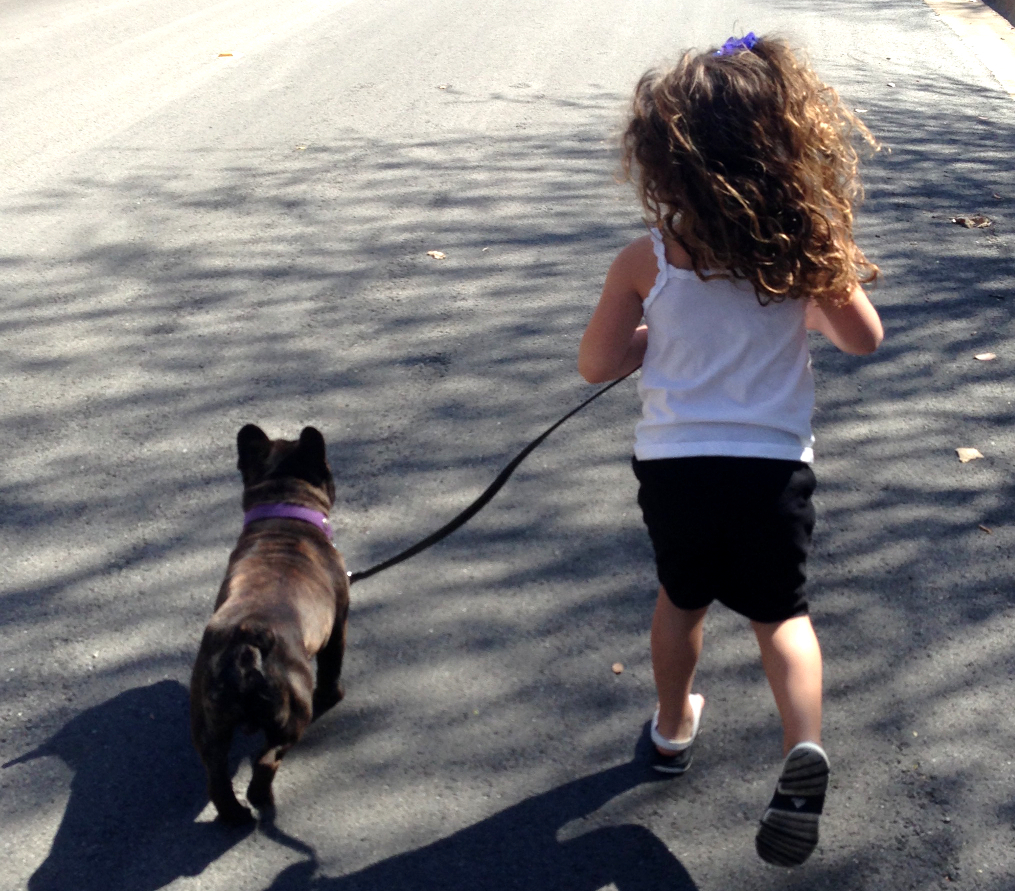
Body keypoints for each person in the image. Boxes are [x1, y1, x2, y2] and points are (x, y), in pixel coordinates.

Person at [577, 33, 884, 868]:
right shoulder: (802, 249)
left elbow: (597, 363)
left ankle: (673, 726)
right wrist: (817, 299)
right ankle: (802, 746)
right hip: (773, 466)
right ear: (786, 145)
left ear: (663, 158)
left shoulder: (648, 257)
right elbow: (862, 339)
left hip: (676, 466)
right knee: (779, 614)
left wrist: (654, 339)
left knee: (682, 600)